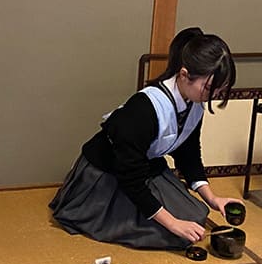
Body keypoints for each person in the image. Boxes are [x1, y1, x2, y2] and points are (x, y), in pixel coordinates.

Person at [50, 27, 244, 249]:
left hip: (145, 168)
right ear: (184, 75)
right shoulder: (144, 108)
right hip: (109, 174)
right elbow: (130, 177)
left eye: (221, 89)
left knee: (197, 216)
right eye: (210, 88)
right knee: (177, 234)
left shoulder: (194, 104)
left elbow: (188, 155)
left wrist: (212, 198)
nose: (215, 95)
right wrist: (172, 223)